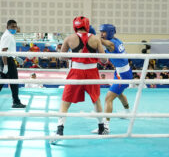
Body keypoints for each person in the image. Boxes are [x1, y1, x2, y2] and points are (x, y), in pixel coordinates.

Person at [50, 16, 108, 144]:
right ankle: (101, 128)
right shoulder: (95, 39)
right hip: (92, 72)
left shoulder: (69, 38)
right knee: (96, 99)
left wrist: (74, 56)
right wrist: (96, 58)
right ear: (87, 25)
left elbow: (62, 58)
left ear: (75, 26)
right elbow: (104, 60)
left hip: (76, 72)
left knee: (66, 101)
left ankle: (59, 130)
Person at [92, 24, 133, 134]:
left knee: (108, 98)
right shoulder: (116, 40)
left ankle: (105, 127)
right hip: (120, 72)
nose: (101, 34)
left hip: (123, 74)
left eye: (104, 32)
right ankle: (128, 112)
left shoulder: (111, 43)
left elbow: (100, 41)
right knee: (119, 94)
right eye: (101, 31)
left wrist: (89, 35)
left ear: (109, 32)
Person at [0, 20, 26, 110]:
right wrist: (6, 65)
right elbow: (4, 51)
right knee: (14, 82)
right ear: (7, 27)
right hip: (6, 60)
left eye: (15, 26)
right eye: (12, 27)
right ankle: (16, 102)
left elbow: (9, 50)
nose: (14, 28)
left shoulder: (9, 35)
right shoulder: (7, 36)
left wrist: (15, 57)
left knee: (0, 83)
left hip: (7, 60)